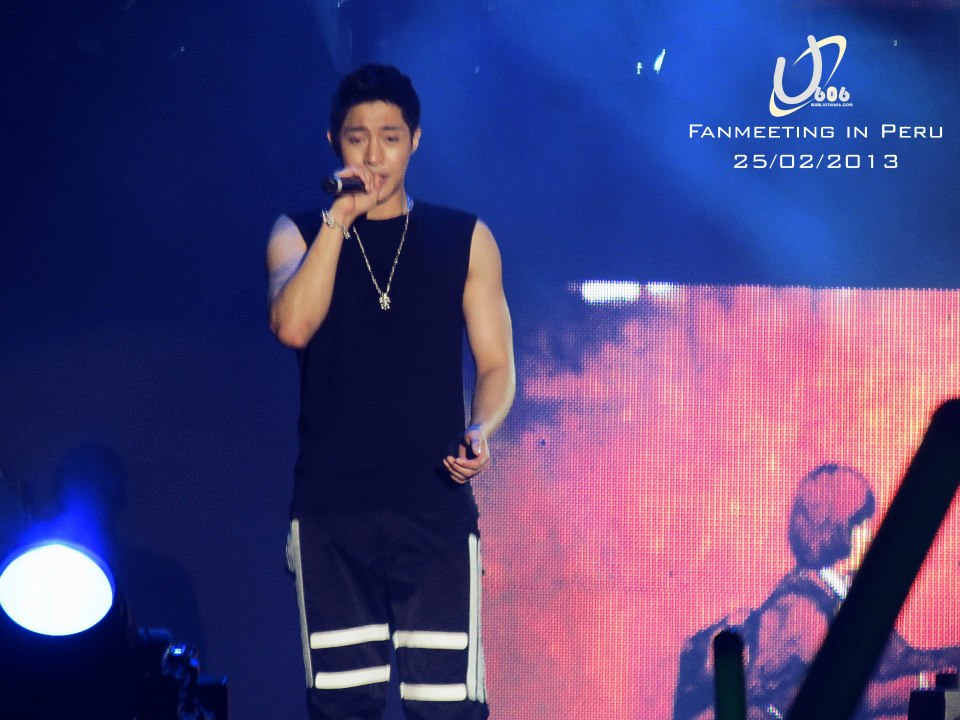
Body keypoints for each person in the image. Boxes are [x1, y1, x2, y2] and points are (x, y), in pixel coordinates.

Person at [266, 64, 515, 720]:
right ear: (334, 142)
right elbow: (292, 327)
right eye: (358, 138)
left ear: (415, 141)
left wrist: (480, 430)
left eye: (390, 138)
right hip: (332, 513)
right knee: (343, 708)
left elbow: (496, 364)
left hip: (433, 511)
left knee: (447, 708)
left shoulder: (465, 238)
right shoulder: (297, 232)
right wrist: (338, 222)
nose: (374, 156)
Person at [673, 464, 960, 720]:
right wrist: (917, 685)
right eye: (862, 524)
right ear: (836, 530)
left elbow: (898, 661)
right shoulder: (798, 607)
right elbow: (844, 694)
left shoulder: (849, 595)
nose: (871, 535)